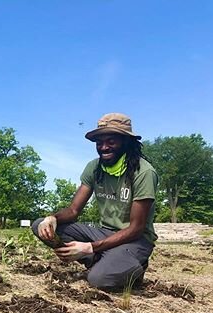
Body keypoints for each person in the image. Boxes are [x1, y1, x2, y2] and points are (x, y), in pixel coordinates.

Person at [32, 113, 158, 290]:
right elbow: (74, 210)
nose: (104, 147)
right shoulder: (94, 167)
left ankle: (133, 267)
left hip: (135, 240)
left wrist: (89, 247)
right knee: (41, 225)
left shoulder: (143, 172)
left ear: (126, 141)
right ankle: (102, 261)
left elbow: (136, 229)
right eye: (99, 142)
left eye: (111, 141)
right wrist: (52, 218)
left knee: (99, 281)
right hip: (104, 233)